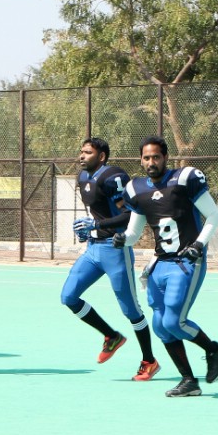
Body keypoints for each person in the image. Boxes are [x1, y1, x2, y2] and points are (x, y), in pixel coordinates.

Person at [114, 136, 218, 397]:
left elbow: (213, 215)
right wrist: (123, 239)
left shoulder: (184, 179)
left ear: (165, 157)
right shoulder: (137, 189)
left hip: (186, 261)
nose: (151, 162)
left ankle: (212, 349)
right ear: (140, 160)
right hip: (159, 263)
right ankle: (189, 380)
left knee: (175, 321)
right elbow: (134, 231)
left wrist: (199, 244)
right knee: (160, 326)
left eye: (156, 157)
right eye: (146, 158)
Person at [63, 137, 160, 380]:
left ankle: (149, 360)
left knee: (131, 310)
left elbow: (129, 216)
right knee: (68, 296)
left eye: (87, 152)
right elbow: (96, 212)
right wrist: (88, 229)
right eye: (81, 151)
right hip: (93, 249)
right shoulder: (83, 177)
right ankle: (111, 335)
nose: (82, 156)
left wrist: (98, 224)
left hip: (115, 249)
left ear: (102, 156)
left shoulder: (113, 177)